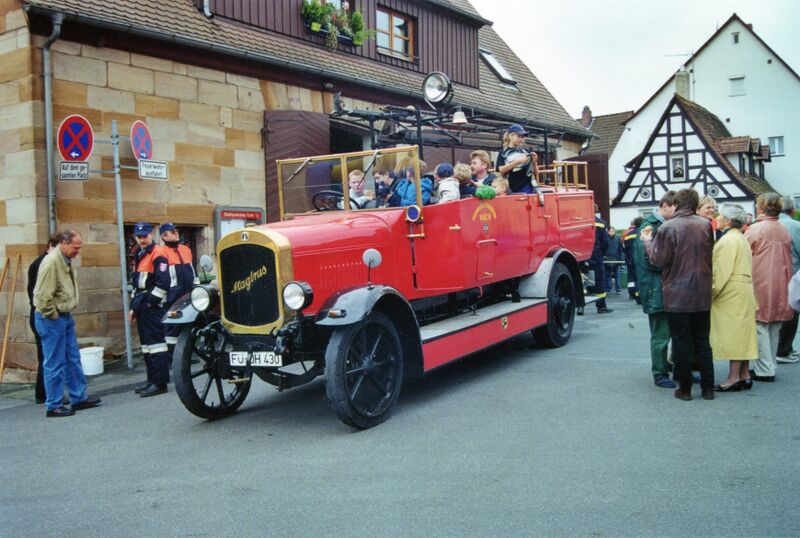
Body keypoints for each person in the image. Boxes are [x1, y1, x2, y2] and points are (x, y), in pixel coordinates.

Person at [641, 188, 715, 401]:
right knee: (702, 340)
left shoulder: (668, 227)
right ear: (694, 204)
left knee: (682, 341)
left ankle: (685, 389)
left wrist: (648, 242)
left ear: (676, 205)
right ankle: (708, 388)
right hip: (701, 291)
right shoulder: (705, 225)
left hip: (677, 294)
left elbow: (657, 260)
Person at [33, 230, 102, 417]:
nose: (77, 251)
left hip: (64, 316)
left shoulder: (64, 260)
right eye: (75, 247)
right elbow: (41, 298)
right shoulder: (51, 263)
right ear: (63, 243)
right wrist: (54, 316)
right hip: (51, 318)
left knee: (73, 358)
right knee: (54, 363)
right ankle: (54, 405)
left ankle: (79, 398)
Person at [745, 193, 794, 382]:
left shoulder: (756, 229)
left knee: (760, 323)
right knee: (775, 323)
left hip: (761, 278)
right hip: (782, 278)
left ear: (762, 207)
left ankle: (764, 368)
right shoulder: (782, 228)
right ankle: (770, 364)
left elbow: (745, 252)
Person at [710, 204, 758, 391]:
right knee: (743, 334)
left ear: (728, 220)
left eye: (720, 216)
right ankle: (744, 374)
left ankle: (733, 377)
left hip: (731, 293)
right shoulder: (740, 238)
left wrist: (711, 293)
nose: (718, 218)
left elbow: (720, 272)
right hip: (743, 290)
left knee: (733, 335)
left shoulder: (728, 241)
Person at [633, 191, 677, 388]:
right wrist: (676, 264)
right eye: (676, 209)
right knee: (661, 333)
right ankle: (659, 372)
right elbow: (649, 260)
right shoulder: (649, 227)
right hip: (655, 288)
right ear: (665, 205)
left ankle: (672, 368)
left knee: (671, 331)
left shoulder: (662, 225)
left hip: (664, 287)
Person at [129, 222, 172, 397]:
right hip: (143, 303)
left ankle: (160, 383)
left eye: (145, 236)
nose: (142, 240)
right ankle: (151, 381)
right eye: (139, 237)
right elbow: (136, 285)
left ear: (151, 235)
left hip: (151, 305)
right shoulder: (139, 254)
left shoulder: (158, 253)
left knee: (157, 346)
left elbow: (163, 283)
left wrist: (150, 304)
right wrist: (134, 308)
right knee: (147, 347)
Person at [27, 234, 59, 404]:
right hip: (42, 314)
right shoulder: (43, 264)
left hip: (39, 313)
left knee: (46, 356)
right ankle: (45, 393)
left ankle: (44, 393)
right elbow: (40, 295)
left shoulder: (42, 262)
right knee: (47, 357)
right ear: (51, 246)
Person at [159, 223, 199, 358]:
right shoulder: (161, 252)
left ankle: (185, 357)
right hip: (173, 294)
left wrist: (196, 287)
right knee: (172, 327)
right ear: (164, 236)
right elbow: (161, 276)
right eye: (172, 231)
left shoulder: (185, 249)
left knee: (187, 324)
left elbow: (192, 270)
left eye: (176, 230)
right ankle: (173, 358)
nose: (176, 233)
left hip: (188, 293)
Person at [776, 197, 800, 363]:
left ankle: (777, 347)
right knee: (792, 309)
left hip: (771, 273)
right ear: (793, 211)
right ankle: (784, 348)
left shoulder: (766, 225)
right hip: (793, 271)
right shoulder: (795, 226)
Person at [496, 124, 539, 193]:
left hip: (526, 186)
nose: (521, 139)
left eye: (523, 137)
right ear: (510, 136)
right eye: (518, 136)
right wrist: (517, 161)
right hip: (510, 186)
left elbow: (535, 173)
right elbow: (501, 170)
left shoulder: (526, 151)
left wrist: (534, 162)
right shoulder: (503, 152)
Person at [587, 205, 613, 314]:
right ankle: (601, 306)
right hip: (596, 255)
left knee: (581, 280)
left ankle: (580, 307)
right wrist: (602, 253)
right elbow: (606, 242)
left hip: (581, 255)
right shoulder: (601, 223)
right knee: (599, 280)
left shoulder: (578, 222)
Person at [622, 217, 643, 304]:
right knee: (640, 278)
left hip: (630, 259)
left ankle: (631, 293)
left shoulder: (628, 234)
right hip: (640, 259)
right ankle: (639, 296)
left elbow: (624, 248)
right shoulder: (643, 233)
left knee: (631, 278)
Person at [604, 227, 623, 293]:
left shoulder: (618, 239)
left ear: (614, 231)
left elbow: (621, 249)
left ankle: (618, 289)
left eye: (612, 231)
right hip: (607, 259)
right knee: (608, 275)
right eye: (610, 231)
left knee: (617, 275)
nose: (611, 232)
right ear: (608, 232)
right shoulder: (605, 239)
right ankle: (608, 289)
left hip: (616, 259)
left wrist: (621, 259)